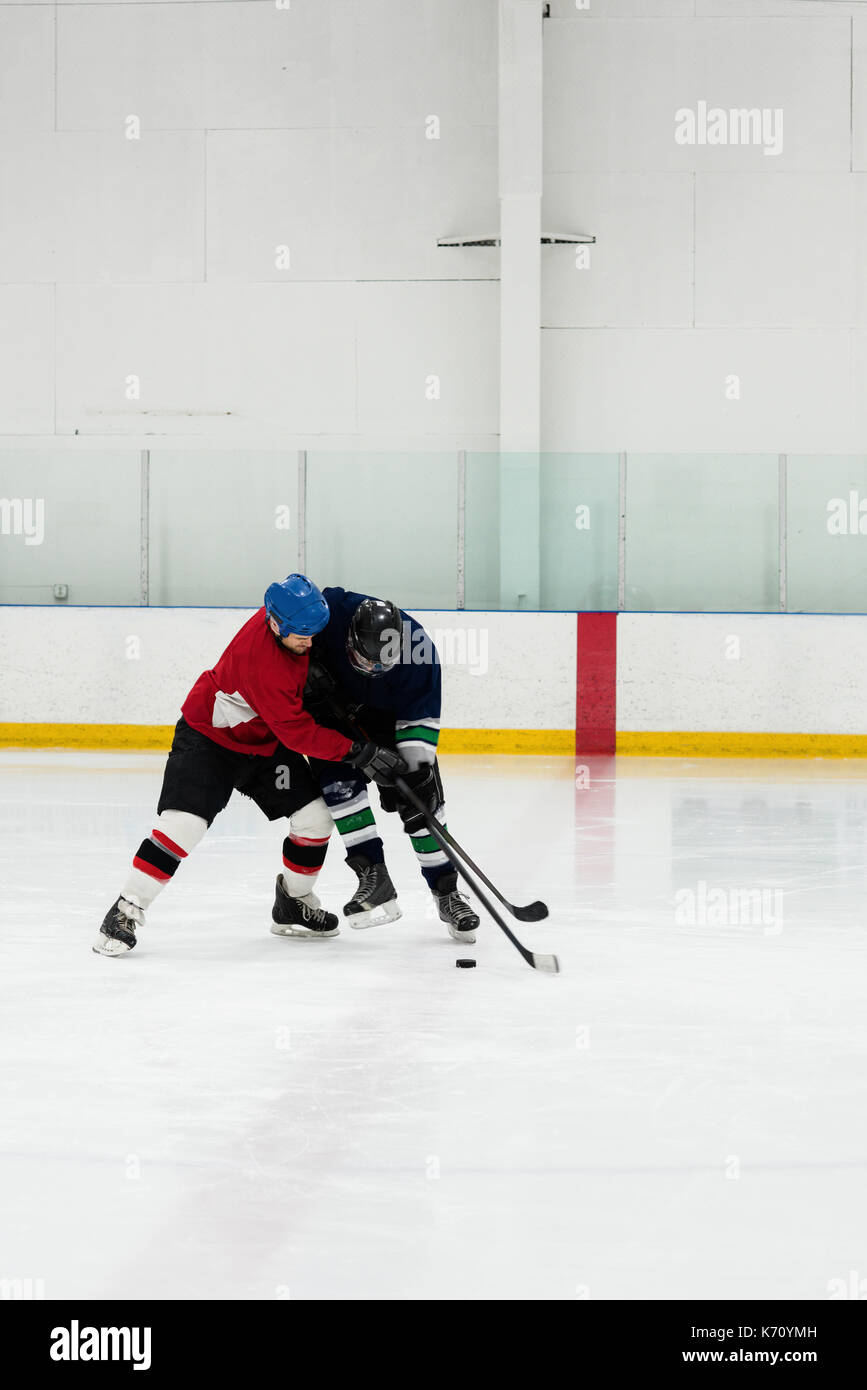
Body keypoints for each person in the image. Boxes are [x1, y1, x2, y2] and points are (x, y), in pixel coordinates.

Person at [93, 575, 404, 956]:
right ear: (274, 625)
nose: (310, 643)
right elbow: (299, 735)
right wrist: (360, 752)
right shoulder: (265, 666)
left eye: (313, 633)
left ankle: (295, 903)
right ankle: (126, 909)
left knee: (315, 819)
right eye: (301, 637)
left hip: (262, 741)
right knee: (183, 824)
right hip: (210, 739)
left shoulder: (293, 616)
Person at [303, 586, 480, 943]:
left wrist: (417, 767)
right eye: (368, 662)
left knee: (421, 803)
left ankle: (447, 893)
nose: (375, 670)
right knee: (342, 792)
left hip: (389, 720)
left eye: (384, 663)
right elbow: (300, 610)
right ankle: (373, 875)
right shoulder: (333, 613)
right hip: (330, 717)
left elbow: (420, 718)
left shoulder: (420, 650)